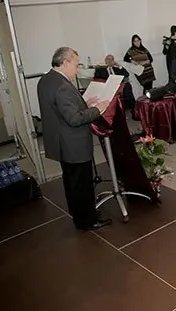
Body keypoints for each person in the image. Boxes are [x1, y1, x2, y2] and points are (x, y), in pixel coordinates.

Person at [38, 47, 112, 230]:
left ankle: (78, 214)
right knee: (82, 184)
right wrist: (97, 109)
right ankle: (87, 220)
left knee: (71, 181)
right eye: (76, 65)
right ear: (65, 62)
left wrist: (85, 103)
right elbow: (74, 118)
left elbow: (63, 108)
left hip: (61, 142)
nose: (77, 69)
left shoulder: (46, 80)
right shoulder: (63, 85)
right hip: (73, 143)